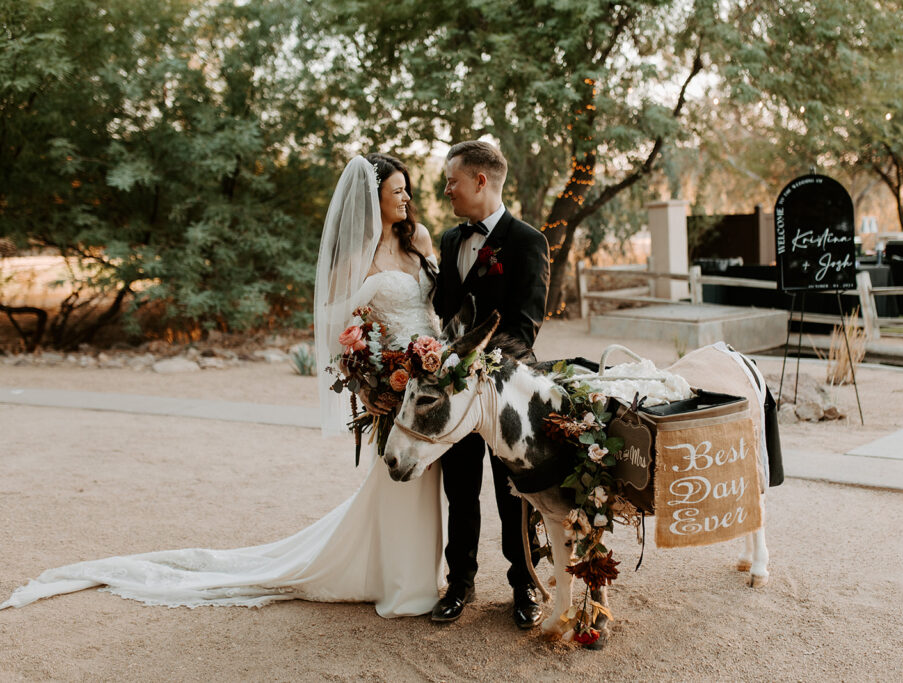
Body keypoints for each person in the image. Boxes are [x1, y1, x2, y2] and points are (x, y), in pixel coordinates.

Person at [1, 154, 446, 617]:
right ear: (372, 201)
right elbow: (336, 332)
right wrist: (367, 387)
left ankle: (426, 576)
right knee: (400, 480)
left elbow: (438, 304)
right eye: (397, 190)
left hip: (435, 375)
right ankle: (402, 584)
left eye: (406, 189)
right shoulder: (355, 258)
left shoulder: (418, 238)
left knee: (432, 480)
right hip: (392, 385)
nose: (406, 197)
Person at [430, 140, 551, 629]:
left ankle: (524, 584)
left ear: (480, 181)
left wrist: (476, 365)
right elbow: (443, 310)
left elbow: (526, 324)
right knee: (459, 489)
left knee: (513, 493)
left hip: (506, 391)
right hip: (456, 395)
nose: (446, 189)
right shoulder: (448, 241)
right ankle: (459, 583)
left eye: (452, 180)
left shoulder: (527, 241)